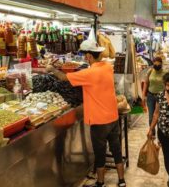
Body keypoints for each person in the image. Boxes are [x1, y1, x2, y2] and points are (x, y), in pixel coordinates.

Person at [46, 40, 126, 187]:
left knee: (100, 153)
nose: (84, 58)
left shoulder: (89, 73)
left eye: (84, 55)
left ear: (89, 56)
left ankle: (100, 182)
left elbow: (64, 78)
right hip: (113, 117)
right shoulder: (107, 67)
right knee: (116, 149)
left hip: (99, 120)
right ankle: (121, 181)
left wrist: (52, 69)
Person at [142, 57, 166, 137]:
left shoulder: (165, 73)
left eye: (158, 64)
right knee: (151, 117)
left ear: (161, 64)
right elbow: (146, 83)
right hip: (150, 96)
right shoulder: (150, 71)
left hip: (161, 97)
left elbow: (168, 84)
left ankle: (160, 134)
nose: (156, 65)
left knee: (160, 116)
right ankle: (152, 133)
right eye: (155, 64)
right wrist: (143, 95)